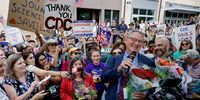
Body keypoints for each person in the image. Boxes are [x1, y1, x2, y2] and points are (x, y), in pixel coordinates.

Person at [101, 30, 156, 100]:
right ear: (126, 40)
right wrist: (118, 68)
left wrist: (146, 95)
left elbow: (153, 84)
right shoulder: (113, 59)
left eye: (140, 41)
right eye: (134, 39)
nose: (137, 43)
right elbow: (104, 78)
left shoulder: (148, 62)